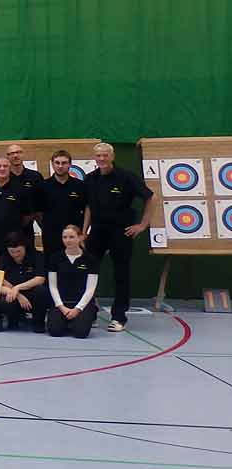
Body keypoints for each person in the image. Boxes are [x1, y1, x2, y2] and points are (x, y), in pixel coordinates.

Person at [82, 143, 155, 333]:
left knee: (121, 274)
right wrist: (84, 231)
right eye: (98, 155)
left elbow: (150, 198)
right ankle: (90, 313)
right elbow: (88, 206)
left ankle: (118, 317)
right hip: (97, 232)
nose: (102, 159)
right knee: (88, 272)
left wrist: (142, 225)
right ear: (94, 158)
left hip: (121, 232)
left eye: (105, 155)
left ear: (112, 156)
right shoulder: (90, 179)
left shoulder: (126, 177)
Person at [47, 224, 100, 339]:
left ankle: (86, 316)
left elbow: (90, 289)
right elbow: (53, 286)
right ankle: (65, 320)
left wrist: (78, 309)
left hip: (82, 304)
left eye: (71, 237)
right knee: (55, 331)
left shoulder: (90, 259)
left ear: (80, 238)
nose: (68, 240)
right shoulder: (55, 258)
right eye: (65, 237)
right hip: (62, 303)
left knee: (80, 333)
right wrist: (61, 307)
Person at [37, 150, 88, 261]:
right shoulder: (43, 186)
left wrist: (83, 233)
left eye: (64, 163)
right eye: (57, 163)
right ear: (52, 164)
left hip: (74, 237)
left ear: (70, 164)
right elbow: (38, 212)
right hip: (51, 237)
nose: (60, 166)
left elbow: (87, 210)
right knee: (52, 267)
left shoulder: (80, 186)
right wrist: (47, 227)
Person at [1, 232, 49, 332]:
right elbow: (0, 280)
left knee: (41, 291)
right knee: (5, 296)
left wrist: (18, 287)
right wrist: (17, 294)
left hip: (31, 292)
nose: (15, 255)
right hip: (13, 293)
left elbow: (40, 279)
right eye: (12, 252)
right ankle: (13, 320)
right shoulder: (4, 258)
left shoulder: (37, 255)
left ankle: (38, 322)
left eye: (18, 251)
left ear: (25, 246)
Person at [3, 143, 45, 227]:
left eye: (18, 152)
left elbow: (41, 203)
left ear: (23, 154)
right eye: (11, 153)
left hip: (28, 227)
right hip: (6, 225)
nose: (15, 155)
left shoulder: (35, 176)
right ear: (7, 157)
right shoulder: (2, 178)